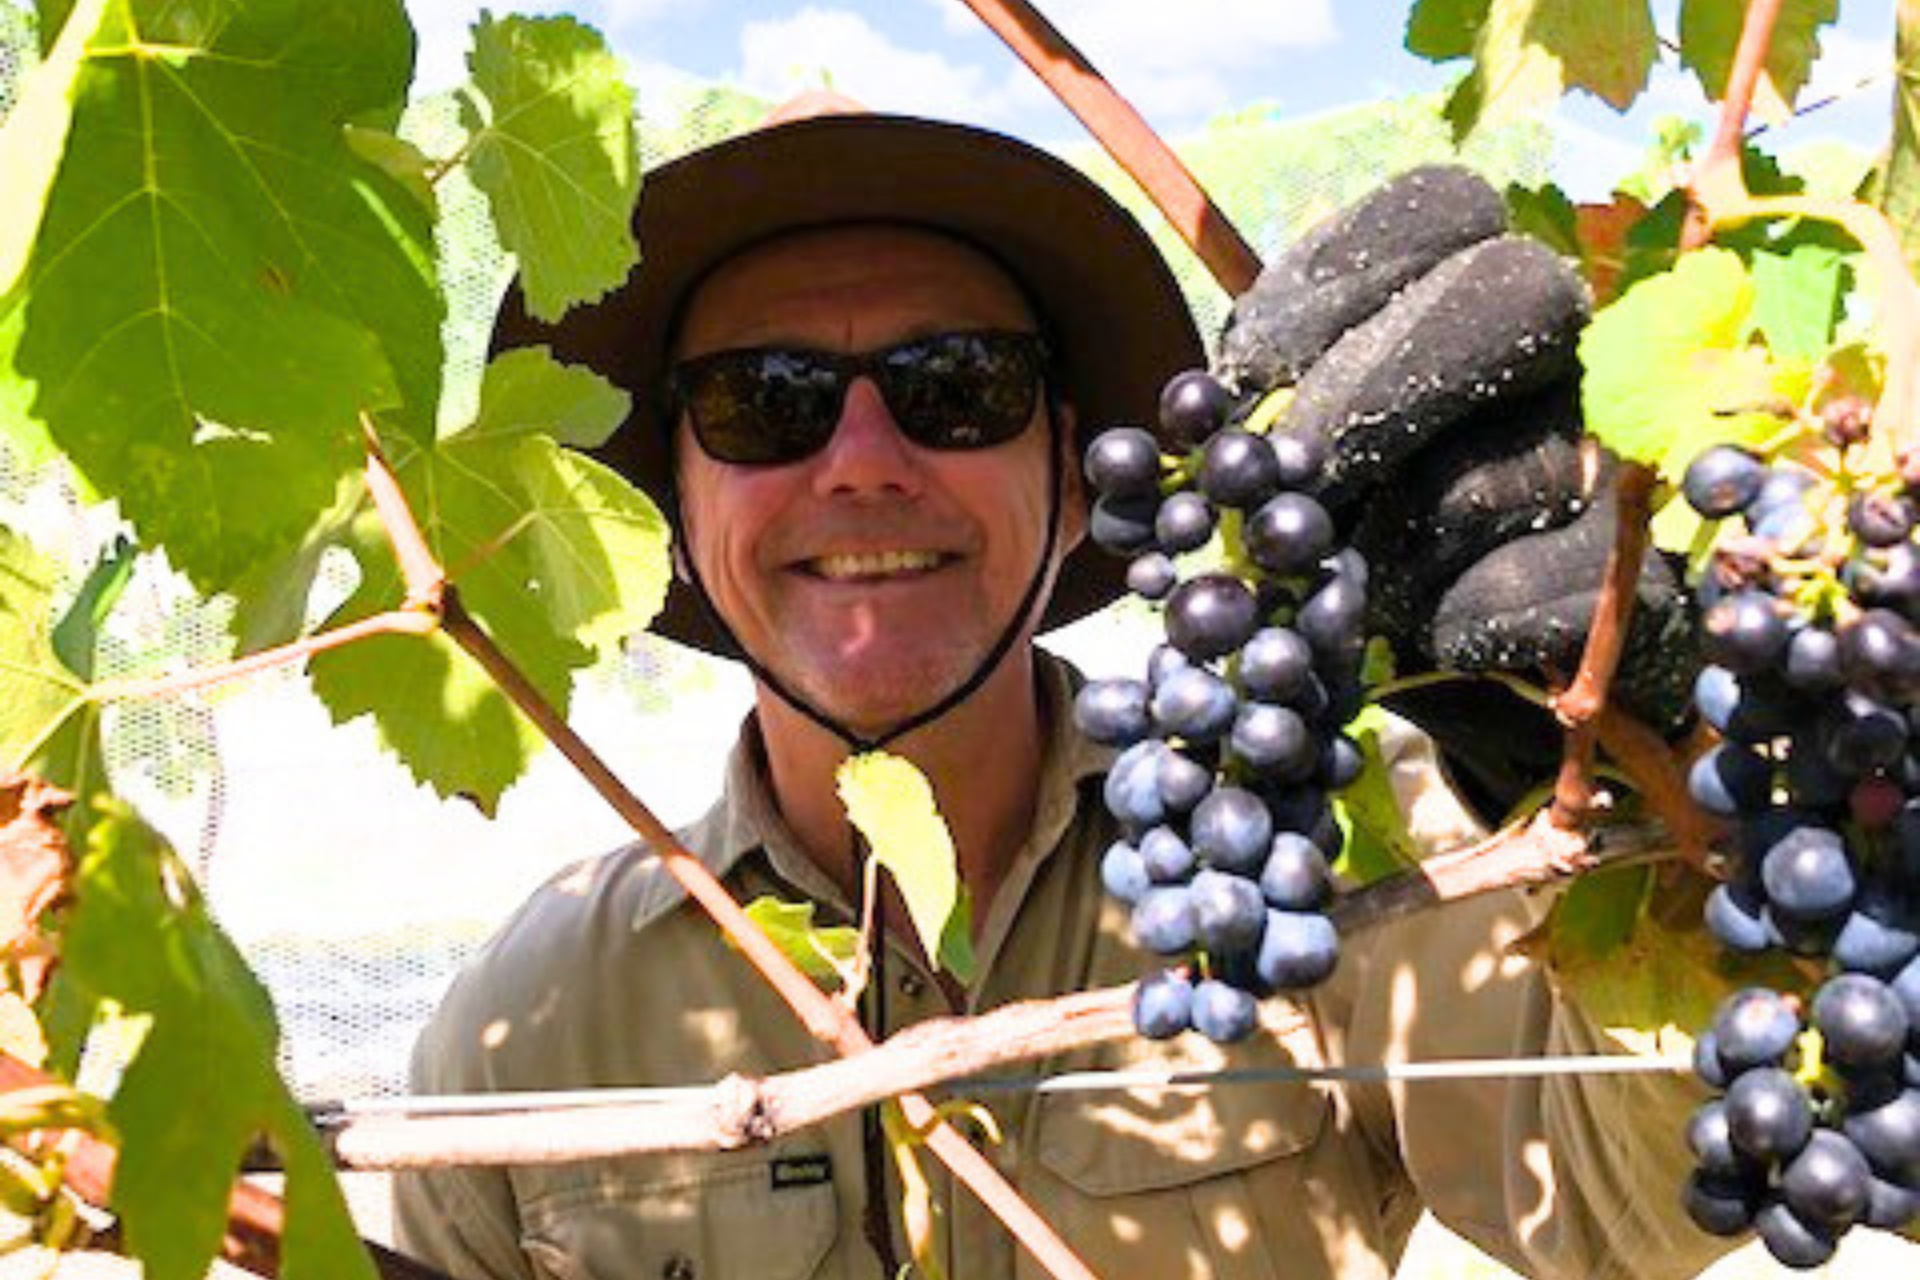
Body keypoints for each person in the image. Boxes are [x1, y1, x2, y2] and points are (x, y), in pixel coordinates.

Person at [392, 97, 1719, 1280]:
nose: (861, 462)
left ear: (1081, 476)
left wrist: (1669, 807)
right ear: (673, 501)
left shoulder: (1312, 848)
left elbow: (1621, 1217)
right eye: (764, 400)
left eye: (955, 389)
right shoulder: (537, 1014)